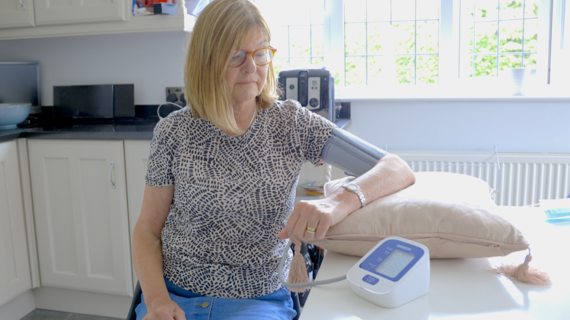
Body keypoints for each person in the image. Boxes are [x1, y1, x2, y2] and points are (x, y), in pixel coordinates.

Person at [132, 0, 416, 319]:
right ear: (207, 60)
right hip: (174, 296)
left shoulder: (291, 124)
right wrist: (156, 300)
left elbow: (396, 169)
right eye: (236, 55)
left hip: (258, 301)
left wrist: (336, 203)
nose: (252, 67)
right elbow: (147, 231)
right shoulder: (173, 132)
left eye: (260, 52)